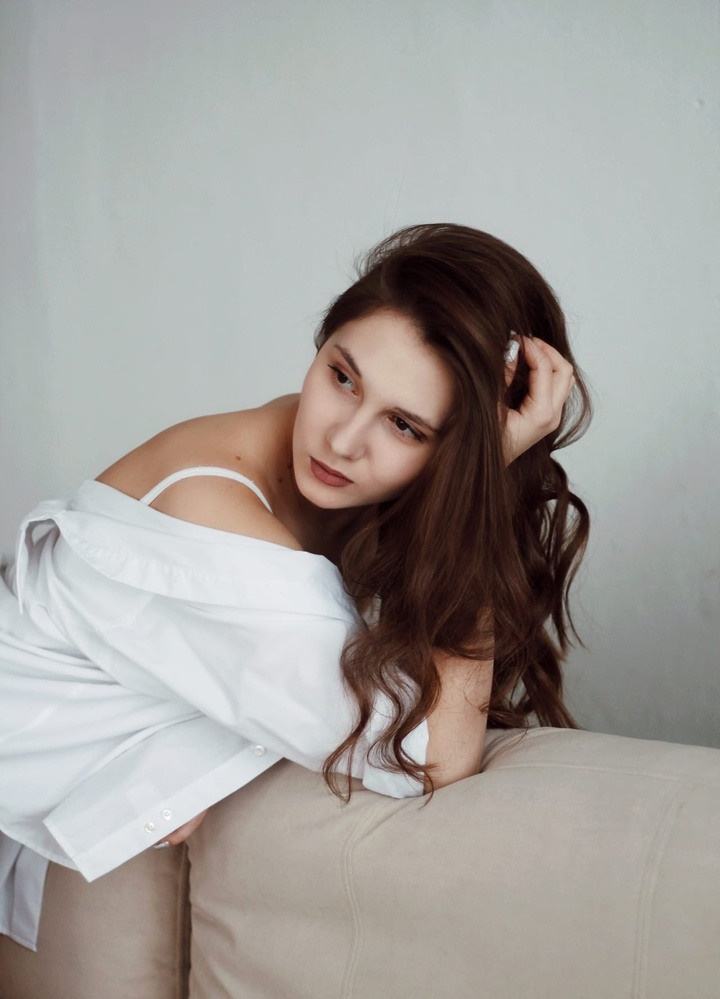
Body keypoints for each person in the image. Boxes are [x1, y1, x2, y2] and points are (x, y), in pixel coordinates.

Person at [0, 223, 591, 949]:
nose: (342, 440)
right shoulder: (212, 517)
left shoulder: (322, 478)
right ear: (321, 345)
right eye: (343, 377)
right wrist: (480, 492)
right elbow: (431, 757)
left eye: (404, 425)